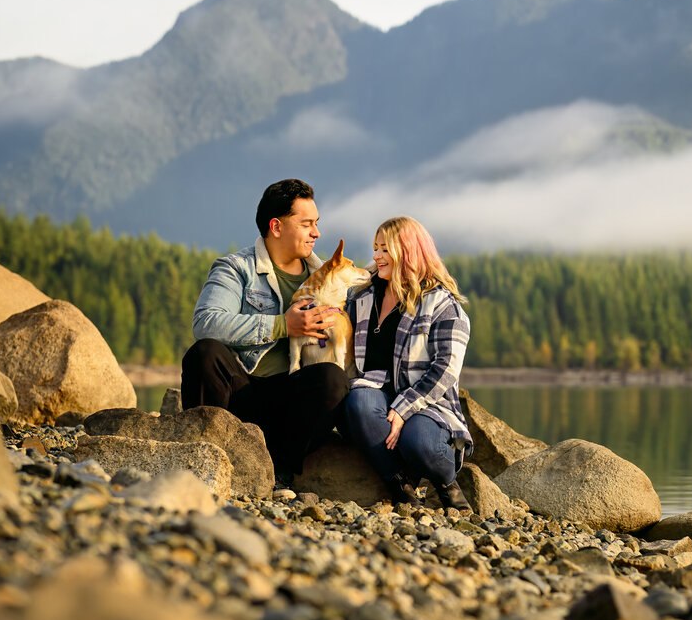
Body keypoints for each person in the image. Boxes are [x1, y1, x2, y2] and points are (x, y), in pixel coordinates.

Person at [181, 178, 348, 487]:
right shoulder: (236, 268)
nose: (317, 232)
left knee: (333, 380)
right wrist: (282, 325)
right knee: (205, 353)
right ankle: (205, 461)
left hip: (293, 404)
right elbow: (206, 321)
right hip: (242, 392)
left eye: (317, 223)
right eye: (307, 223)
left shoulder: (326, 276)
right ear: (276, 227)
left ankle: (279, 472)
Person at [342, 216, 473, 508]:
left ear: (409, 251)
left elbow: (445, 370)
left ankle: (446, 483)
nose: (376, 256)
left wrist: (402, 410)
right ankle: (400, 483)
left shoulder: (443, 305)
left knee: (420, 443)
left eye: (385, 249)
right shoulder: (360, 296)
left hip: (427, 402)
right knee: (358, 403)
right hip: (374, 391)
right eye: (375, 248)